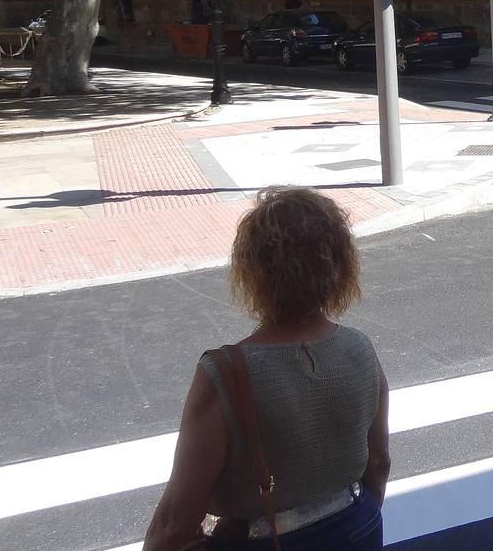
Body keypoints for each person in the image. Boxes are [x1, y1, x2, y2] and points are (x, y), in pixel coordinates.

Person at [144, 187, 390, 551]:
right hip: (356, 526)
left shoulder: (224, 373)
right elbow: (379, 463)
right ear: (339, 266)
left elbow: (175, 522)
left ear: (253, 272)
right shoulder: (360, 349)